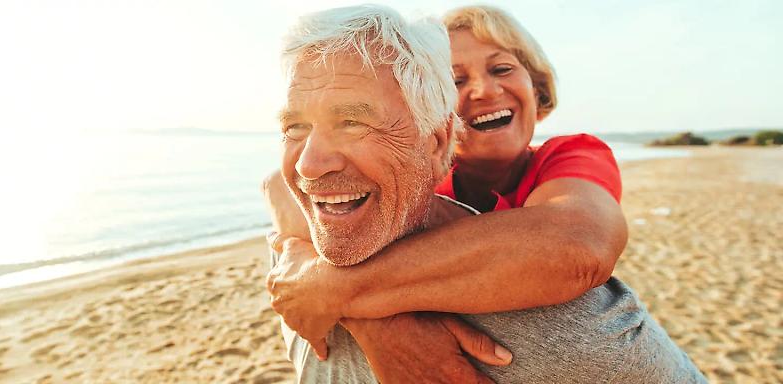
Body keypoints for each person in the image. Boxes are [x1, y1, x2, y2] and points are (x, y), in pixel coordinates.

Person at [266, 4, 706, 383]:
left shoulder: (569, 156)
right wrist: (381, 327)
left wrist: (334, 289)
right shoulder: (415, 179)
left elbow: (575, 246)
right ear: (436, 115)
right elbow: (280, 187)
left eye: (501, 68)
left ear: (536, 87)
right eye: (456, 80)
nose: (483, 90)